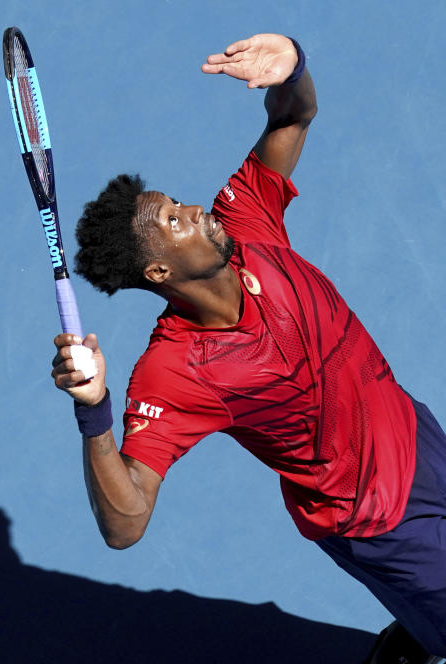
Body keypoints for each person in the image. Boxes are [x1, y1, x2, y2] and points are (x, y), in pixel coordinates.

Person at [50, 33, 446, 664]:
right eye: (176, 221)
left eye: (179, 203)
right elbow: (126, 524)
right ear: (158, 273)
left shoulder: (245, 218)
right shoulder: (176, 372)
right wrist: (93, 410)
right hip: (373, 515)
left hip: (417, 437)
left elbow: (293, 114)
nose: (195, 210)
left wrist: (293, 63)